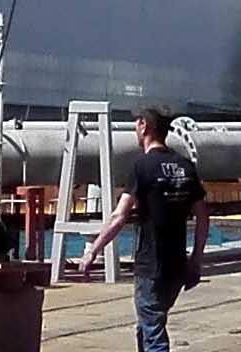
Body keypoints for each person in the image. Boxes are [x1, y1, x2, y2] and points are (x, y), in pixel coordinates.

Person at [83, 109, 204, 352]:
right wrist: (195, 260)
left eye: (135, 125)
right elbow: (203, 216)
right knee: (148, 324)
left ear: (143, 125)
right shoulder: (186, 166)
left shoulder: (142, 167)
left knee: (153, 332)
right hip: (176, 265)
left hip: (151, 264)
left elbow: (119, 216)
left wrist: (93, 250)